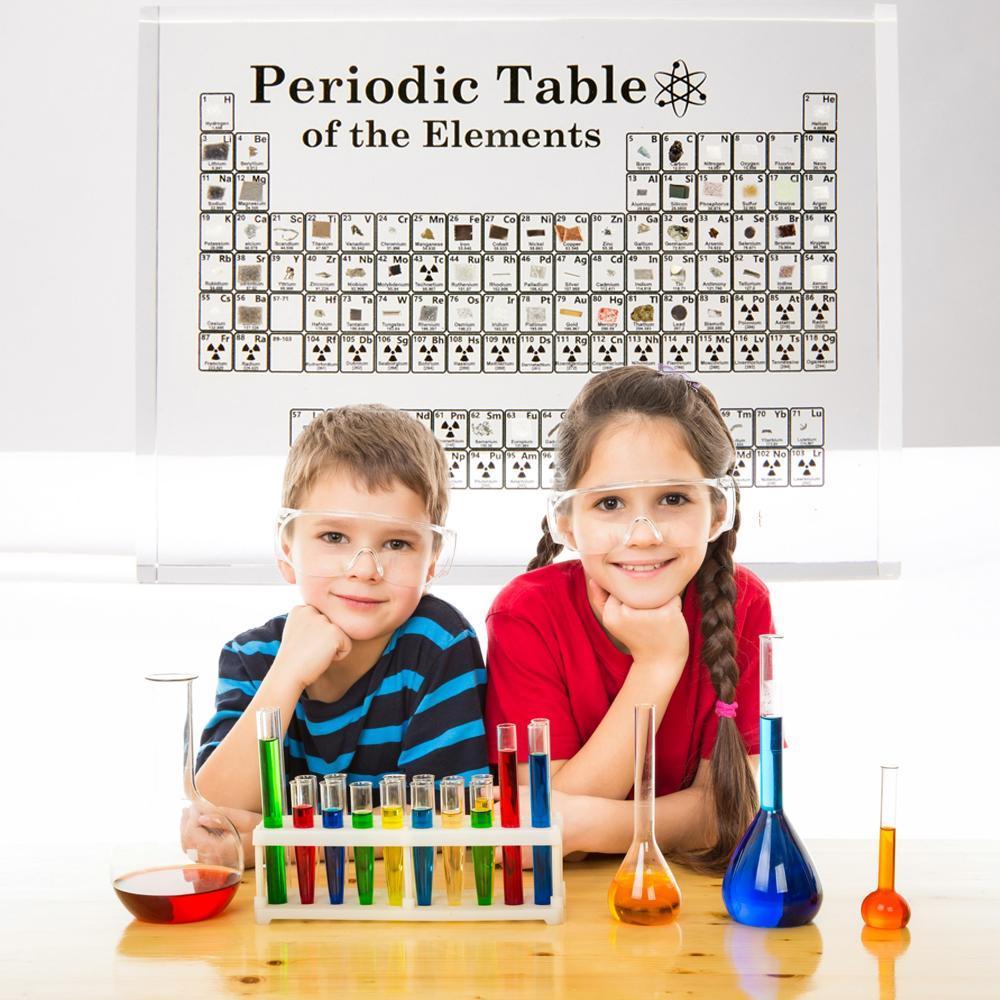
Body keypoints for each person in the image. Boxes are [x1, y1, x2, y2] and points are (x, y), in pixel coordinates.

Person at [485, 366, 774, 873]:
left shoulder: (743, 601)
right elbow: (534, 830)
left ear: (717, 509)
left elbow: (735, 807)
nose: (642, 535)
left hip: (687, 896)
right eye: (610, 503)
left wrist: (589, 826)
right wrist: (658, 664)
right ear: (567, 522)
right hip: (565, 905)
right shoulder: (526, 613)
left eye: (673, 499)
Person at [195, 405, 489, 860]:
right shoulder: (251, 657)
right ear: (286, 546)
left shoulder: (438, 644)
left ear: (432, 559)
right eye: (334, 537)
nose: (366, 570)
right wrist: (287, 676)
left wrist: (280, 844)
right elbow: (214, 822)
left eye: (397, 543)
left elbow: (449, 829)